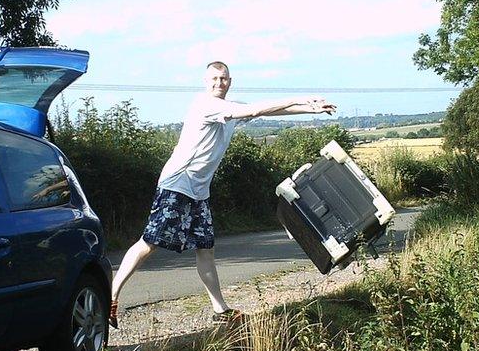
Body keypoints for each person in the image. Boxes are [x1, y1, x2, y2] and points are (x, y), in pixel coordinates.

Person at [109, 61, 336, 328]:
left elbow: (267, 113)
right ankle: (111, 296)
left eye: (224, 78)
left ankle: (220, 309)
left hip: (198, 191)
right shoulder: (206, 105)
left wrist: (310, 108)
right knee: (149, 243)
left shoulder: (229, 109)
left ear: (230, 81)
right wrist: (300, 97)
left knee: (206, 248)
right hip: (177, 184)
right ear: (206, 81)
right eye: (215, 78)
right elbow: (257, 108)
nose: (220, 83)